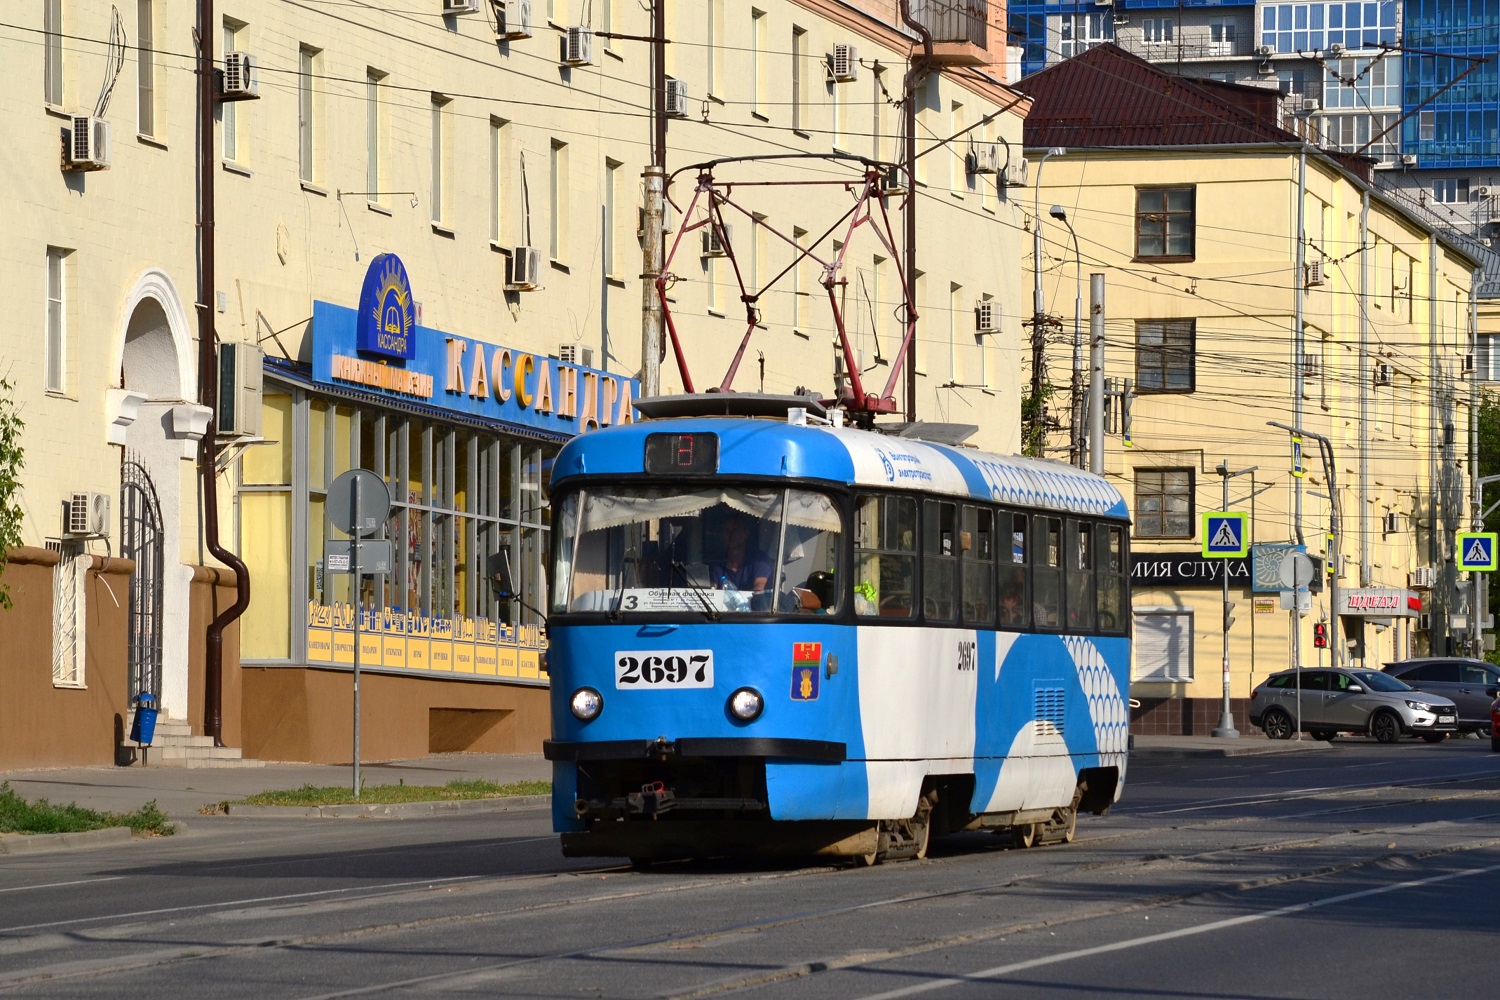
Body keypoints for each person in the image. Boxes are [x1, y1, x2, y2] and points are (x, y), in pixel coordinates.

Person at [709, 511, 771, 595]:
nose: (731, 534)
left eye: (736, 530)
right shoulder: (716, 563)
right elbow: (711, 591)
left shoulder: (759, 559)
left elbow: (759, 588)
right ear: (722, 535)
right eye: (727, 531)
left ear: (746, 533)